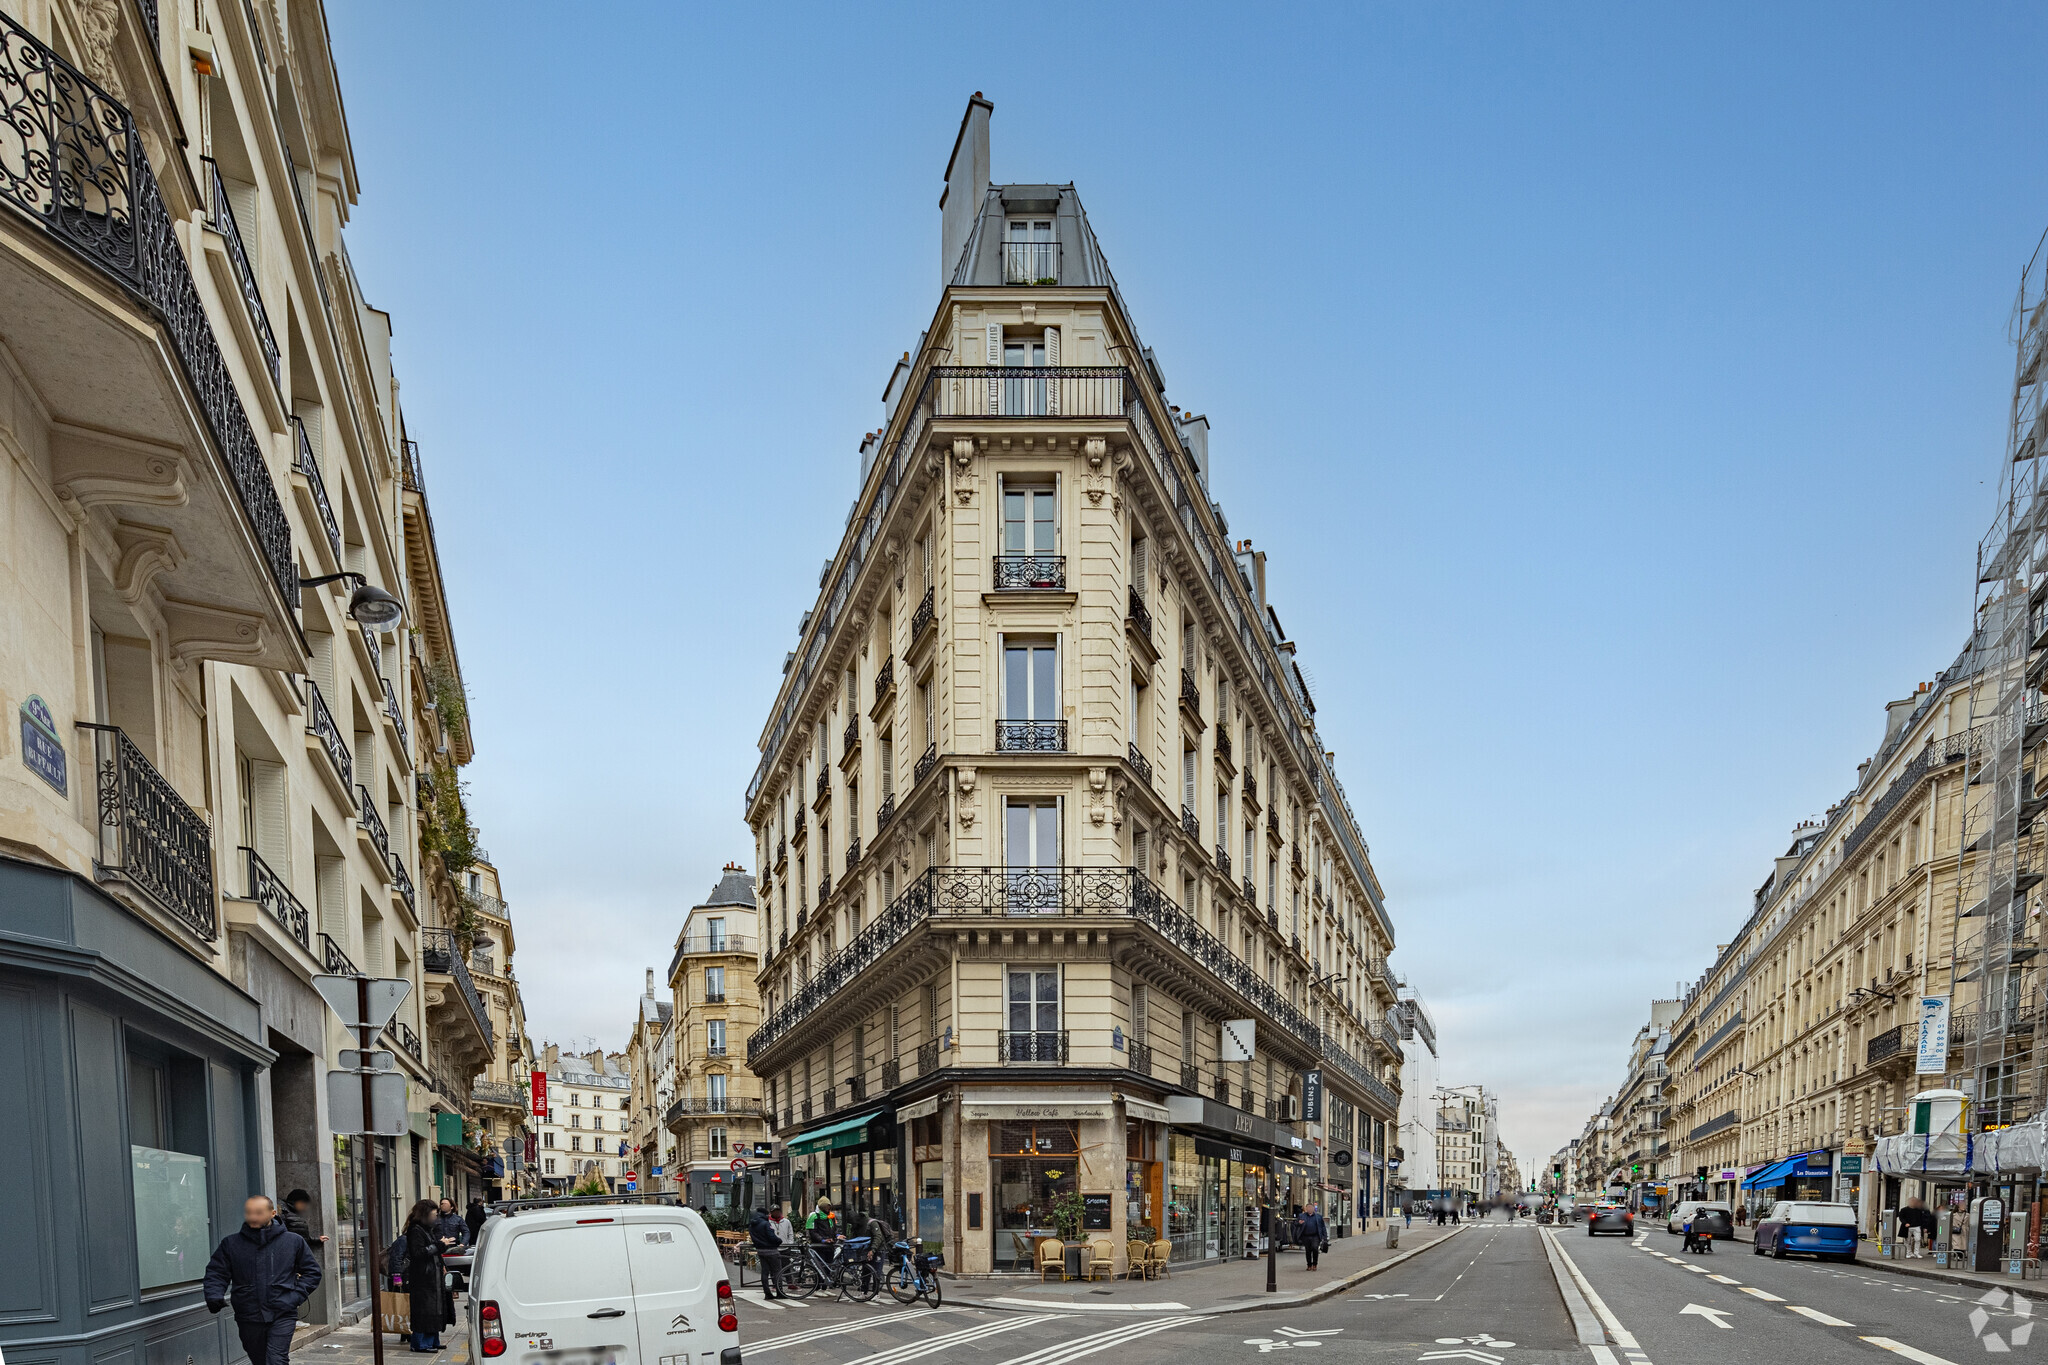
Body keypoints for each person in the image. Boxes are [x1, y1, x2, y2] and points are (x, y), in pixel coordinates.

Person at [203, 1195, 322, 1365]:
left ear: (273, 1213)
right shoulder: (231, 1243)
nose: (253, 1217)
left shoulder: (293, 1241)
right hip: (248, 1315)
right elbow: (216, 1272)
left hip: (282, 1313)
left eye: (258, 1213)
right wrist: (214, 1295)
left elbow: (312, 1272)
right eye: (249, 1213)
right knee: (259, 1360)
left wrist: (294, 1297)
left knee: (276, 1360)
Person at [403, 1199, 454, 1353]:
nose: (436, 1218)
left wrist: (442, 1261)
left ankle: (432, 1341)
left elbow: (432, 1251)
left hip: (432, 1277)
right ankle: (419, 1344)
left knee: (434, 1310)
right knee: (424, 1311)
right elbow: (419, 1253)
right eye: (433, 1214)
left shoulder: (426, 1229)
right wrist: (440, 1245)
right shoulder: (415, 1230)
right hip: (423, 1279)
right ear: (425, 1214)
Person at [750, 1203, 788, 1299]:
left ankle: (767, 1293)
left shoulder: (752, 1224)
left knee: (765, 1272)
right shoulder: (765, 1223)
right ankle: (780, 1292)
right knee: (777, 1272)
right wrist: (778, 1241)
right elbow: (771, 1236)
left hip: (760, 1250)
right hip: (771, 1250)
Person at [1299, 1203, 1328, 1271]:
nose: (1309, 1209)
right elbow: (1296, 1225)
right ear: (1306, 1209)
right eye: (1308, 1208)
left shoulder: (1318, 1217)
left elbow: (1323, 1227)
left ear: (1313, 1208)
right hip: (1306, 1236)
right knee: (1308, 1251)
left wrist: (1325, 1237)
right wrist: (1299, 1223)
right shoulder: (1302, 1216)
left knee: (1315, 1248)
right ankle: (1309, 1265)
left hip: (1315, 1236)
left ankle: (1315, 1264)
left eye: (1310, 1207)